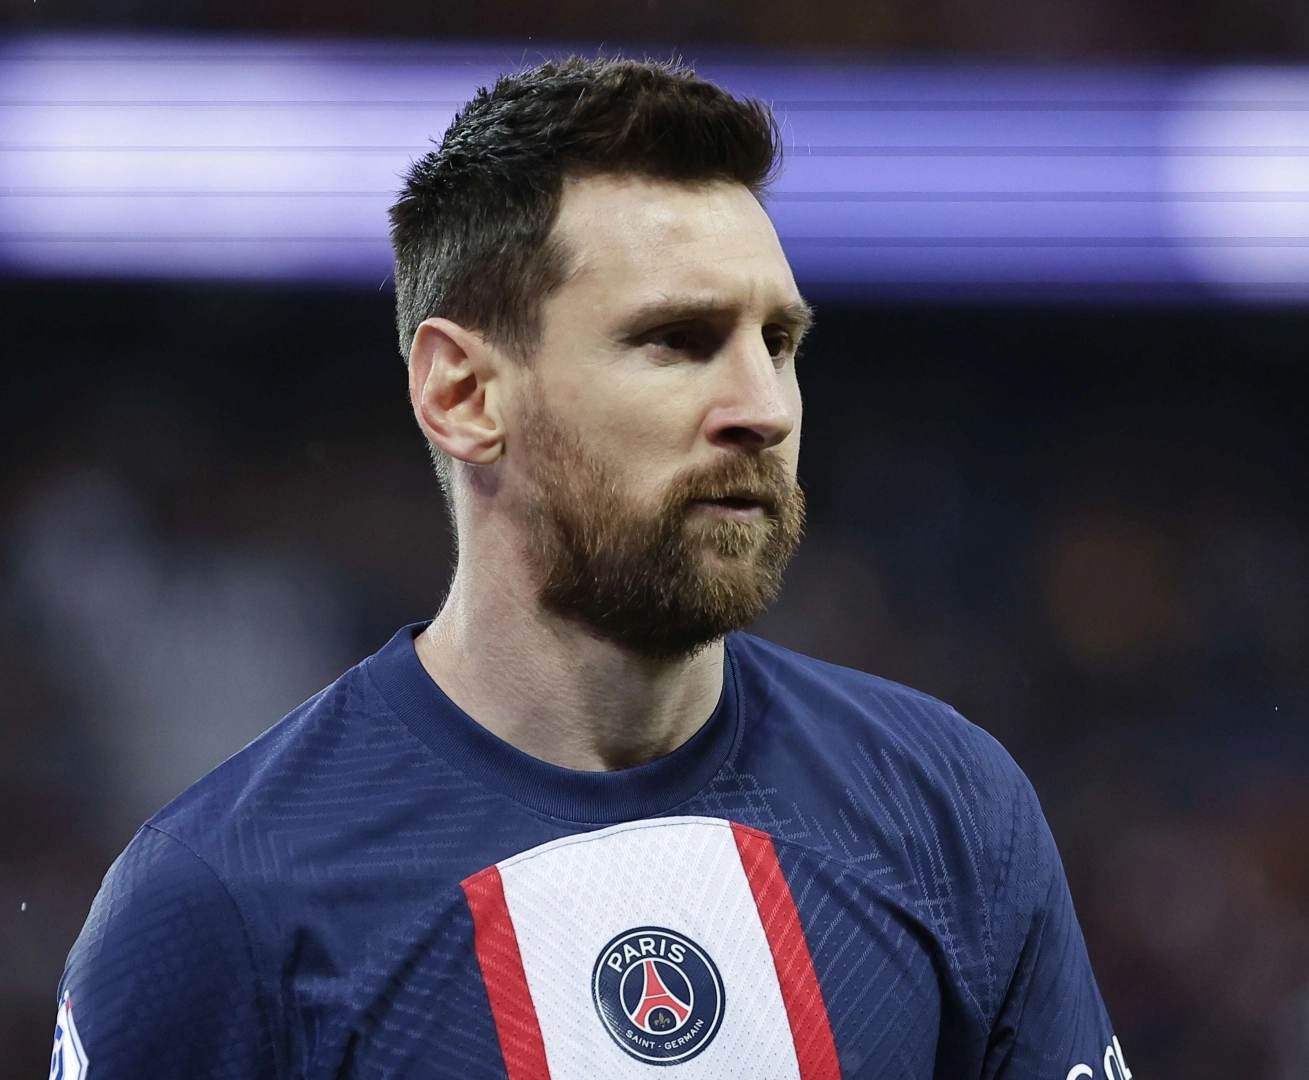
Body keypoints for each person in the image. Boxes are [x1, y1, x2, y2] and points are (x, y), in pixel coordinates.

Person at [52, 57, 1124, 1080]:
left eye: (778, 342)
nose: (764, 408)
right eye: (678, 339)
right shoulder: (221, 902)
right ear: (464, 396)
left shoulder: (948, 808)